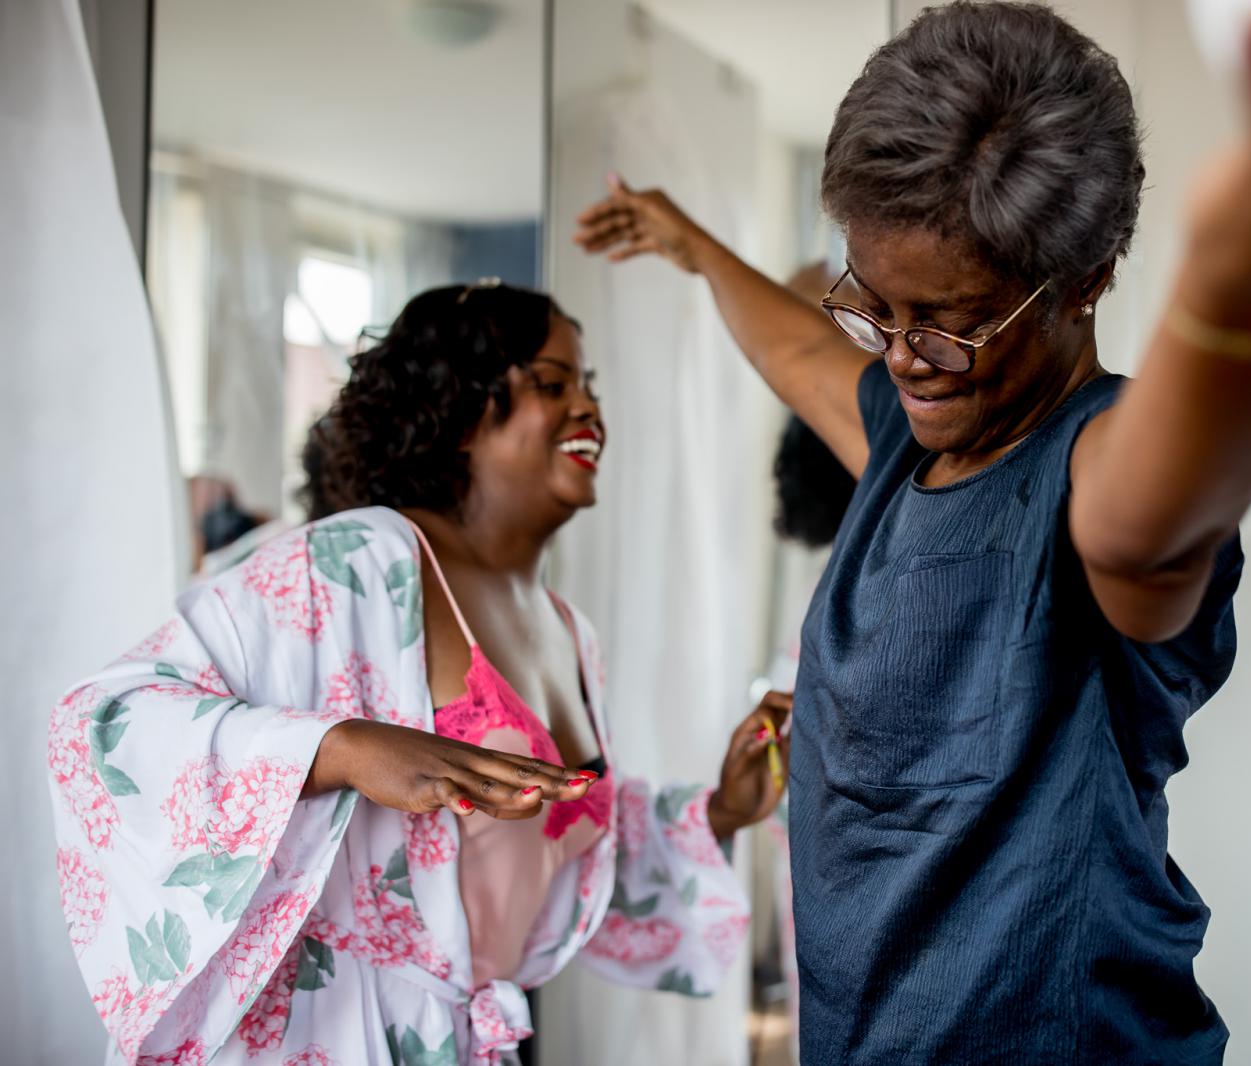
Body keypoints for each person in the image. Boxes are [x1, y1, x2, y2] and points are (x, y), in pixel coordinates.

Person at [574, 1, 1251, 1060]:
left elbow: (1148, 525)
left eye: (953, 322)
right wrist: (690, 245)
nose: (902, 356)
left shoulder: (1092, 477)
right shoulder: (902, 443)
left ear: (1087, 281)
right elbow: (795, 353)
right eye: (874, 306)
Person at [48, 281, 790, 1064]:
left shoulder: (571, 631)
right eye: (551, 383)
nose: (587, 409)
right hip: (324, 1036)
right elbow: (106, 722)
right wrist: (342, 749)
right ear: (460, 411)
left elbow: (542, 848)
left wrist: (719, 810)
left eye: (588, 386)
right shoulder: (355, 562)